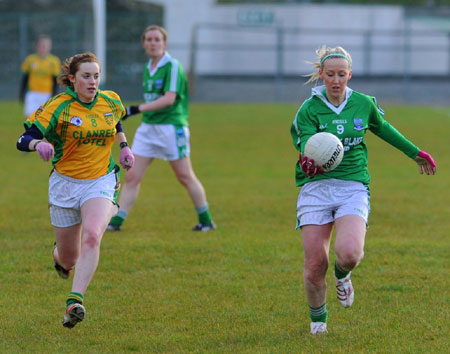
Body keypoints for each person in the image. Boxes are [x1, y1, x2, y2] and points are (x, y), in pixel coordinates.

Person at [290, 45, 437, 335]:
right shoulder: (308, 110)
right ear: (321, 75)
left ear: (349, 75)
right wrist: (308, 161)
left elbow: (383, 128)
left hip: (352, 186)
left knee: (350, 254)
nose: (335, 80)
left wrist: (415, 152)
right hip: (316, 188)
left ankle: (342, 276)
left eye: (341, 75)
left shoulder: (362, 103)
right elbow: (305, 143)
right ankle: (318, 325)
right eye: (330, 74)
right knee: (314, 264)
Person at [16, 52, 135, 329]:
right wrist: (38, 145)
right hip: (65, 184)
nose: (93, 82)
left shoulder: (110, 100)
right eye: (86, 76)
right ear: (72, 79)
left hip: (100, 180)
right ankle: (59, 257)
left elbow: (115, 121)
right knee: (69, 257)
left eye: (96, 76)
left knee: (92, 236)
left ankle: (74, 301)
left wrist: (124, 146)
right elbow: (25, 138)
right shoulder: (59, 106)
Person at [107, 25, 215, 232]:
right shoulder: (148, 66)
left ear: (164, 44)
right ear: (144, 44)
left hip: (171, 128)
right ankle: (116, 222)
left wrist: (134, 109)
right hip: (148, 129)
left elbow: (168, 99)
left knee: (185, 176)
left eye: (157, 39)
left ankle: (206, 220)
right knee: (132, 176)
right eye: (149, 39)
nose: (153, 43)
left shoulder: (172, 66)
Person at [19, 35, 61, 118]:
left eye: (46, 45)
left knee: (45, 119)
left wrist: (54, 95)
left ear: (49, 47)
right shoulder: (30, 60)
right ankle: (29, 131)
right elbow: (25, 78)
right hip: (32, 94)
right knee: (29, 118)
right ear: (37, 46)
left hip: (47, 94)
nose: (43, 48)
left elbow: (55, 80)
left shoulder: (54, 61)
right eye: (41, 45)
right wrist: (22, 93)